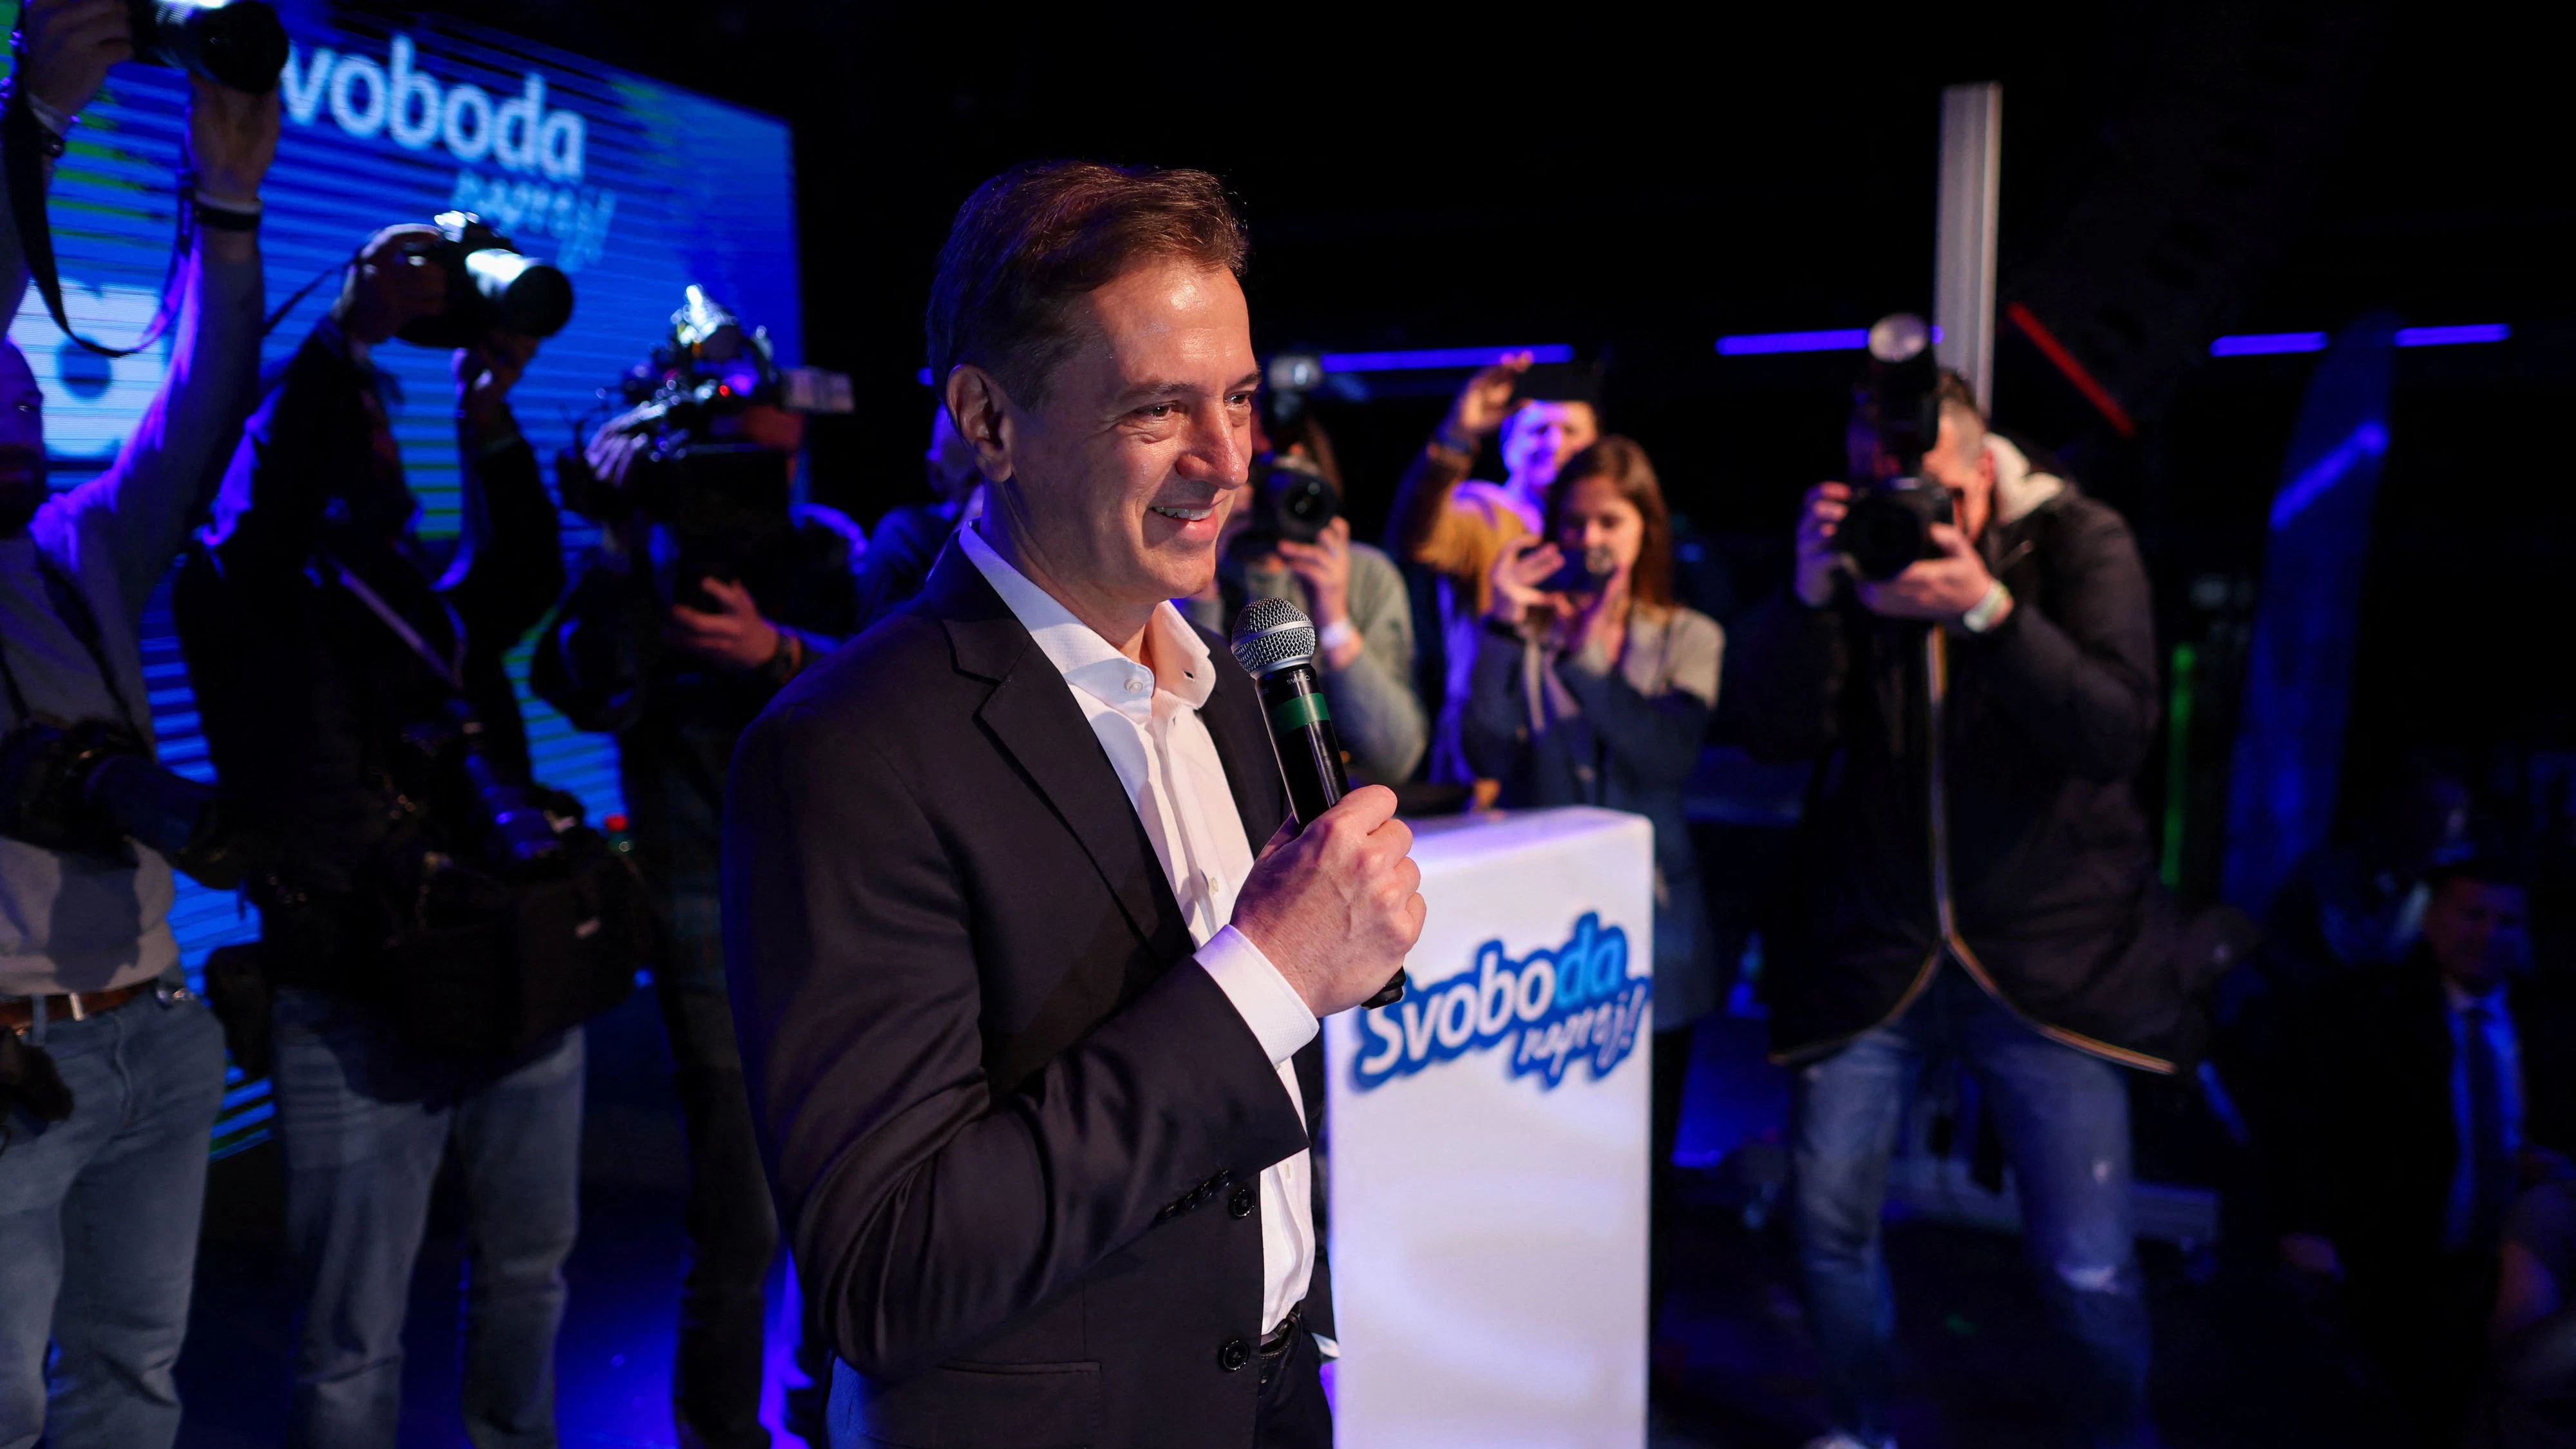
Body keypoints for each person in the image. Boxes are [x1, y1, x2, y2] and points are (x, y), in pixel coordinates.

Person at [724, 160, 1425, 1449]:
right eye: (1158, 410)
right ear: (987, 421)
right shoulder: (842, 753)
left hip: (1270, 1401)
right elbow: (889, 1269)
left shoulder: (1228, 692)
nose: (1226, 464)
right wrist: (1264, 973)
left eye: (1237, 400)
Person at [173, 223, 574, 1446]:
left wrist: (488, 416)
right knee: (353, 1342)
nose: (382, 439)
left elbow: (522, 577)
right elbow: (280, 512)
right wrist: (345, 331)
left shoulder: (406, 598)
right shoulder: (249, 595)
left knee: (527, 1282)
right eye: (369, 420)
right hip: (357, 997)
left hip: (504, 973)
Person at [1730, 373, 2177, 1449]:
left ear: (1982, 471)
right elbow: (1769, 731)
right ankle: (1859, 1424)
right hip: (1876, 953)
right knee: (1827, 1226)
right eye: (1884, 488)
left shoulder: (2077, 540)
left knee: (2087, 1267)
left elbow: (2118, 729)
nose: (1909, 515)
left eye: (1927, 489)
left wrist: (1986, 610)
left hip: (2045, 959)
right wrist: (1803, 597)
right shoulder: (1849, 565)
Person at [0, 7, 273, 1438]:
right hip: (14, 1050)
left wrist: (226, 201)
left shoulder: (72, 543)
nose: (20, 404)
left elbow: (206, 398)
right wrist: (38, 113)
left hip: (155, 1031)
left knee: (132, 1390)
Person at [536, 292, 867, 1449]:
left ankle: (834, 1412)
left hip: (837, 910)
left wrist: (771, 653)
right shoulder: (643, 561)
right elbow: (575, 682)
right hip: (695, 907)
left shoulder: (827, 551)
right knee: (737, 1221)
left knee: (852, 1197)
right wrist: (623, 550)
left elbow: (886, 692)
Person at [1460, 434, 1720, 1320]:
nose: (1591, 538)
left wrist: (1584, 654)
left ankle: (1630, 1347)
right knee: (1551, 1156)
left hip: (1660, 938)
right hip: (1545, 939)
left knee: (1641, 1161)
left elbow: (1663, 755)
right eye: (1574, 521)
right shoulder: (1523, 631)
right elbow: (1482, 749)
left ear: (1646, 528)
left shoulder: (1687, 637)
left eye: (1610, 519)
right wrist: (1502, 623)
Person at [2279, 860, 2576, 1440]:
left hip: (2509, 1271)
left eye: (2506, 921)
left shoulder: (2549, 1025)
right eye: (2473, 915)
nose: (2489, 934)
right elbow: (2305, 1123)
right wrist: (2304, 1226)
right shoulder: (2369, 1011)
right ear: (2434, 920)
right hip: (2391, 1267)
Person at [1386, 352, 1600, 788]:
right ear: (1507, 443)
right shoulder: (1484, 511)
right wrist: (1457, 436)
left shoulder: (1595, 533)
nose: (1555, 443)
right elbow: (1416, 539)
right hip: (1491, 759)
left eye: (1572, 431)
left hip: (1577, 747)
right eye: (1539, 429)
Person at [1181, 427, 1426, 784]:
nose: (1273, 501)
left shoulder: (1365, 575)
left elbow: (1395, 759)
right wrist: (1200, 585)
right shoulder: (1185, 582)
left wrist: (1334, 619)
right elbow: (1190, 742)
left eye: (1290, 481)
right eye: (1259, 476)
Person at [851, 405, 985, 631]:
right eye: (975, 483)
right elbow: (876, 645)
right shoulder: (905, 534)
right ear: (935, 473)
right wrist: (971, 526)